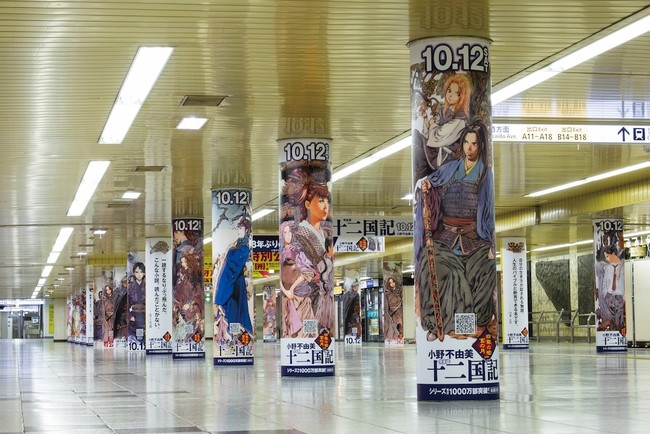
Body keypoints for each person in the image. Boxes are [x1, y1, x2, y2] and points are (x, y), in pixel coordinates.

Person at [415, 122, 496, 342]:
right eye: (467, 143)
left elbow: (488, 212)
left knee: (486, 269)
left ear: (480, 146)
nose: (470, 148)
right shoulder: (450, 168)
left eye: (474, 144)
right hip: (446, 238)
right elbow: (431, 181)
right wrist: (426, 186)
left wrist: (491, 244)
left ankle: (474, 324)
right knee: (434, 266)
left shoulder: (485, 175)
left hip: (474, 239)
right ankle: (438, 324)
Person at [290, 180, 335, 333]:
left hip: (324, 295)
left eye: (327, 201)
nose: (326, 206)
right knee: (312, 331)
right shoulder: (300, 233)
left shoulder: (326, 232)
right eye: (321, 201)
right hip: (311, 295)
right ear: (308, 205)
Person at [413, 73, 472, 181]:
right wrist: (425, 119)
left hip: (448, 158)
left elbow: (440, 135)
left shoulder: (460, 119)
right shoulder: (443, 111)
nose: (450, 95)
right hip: (436, 150)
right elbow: (430, 134)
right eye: (449, 91)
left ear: (462, 96)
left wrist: (432, 124)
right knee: (416, 136)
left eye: (457, 93)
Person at [214, 218, 253, 333]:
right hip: (233, 284)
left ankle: (234, 335)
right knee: (231, 311)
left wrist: (230, 250)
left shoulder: (244, 248)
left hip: (234, 285)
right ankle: (231, 334)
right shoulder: (240, 246)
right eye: (238, 228)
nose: (238, 230)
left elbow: (233, 264)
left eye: (240, 228)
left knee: (233, 311)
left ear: (246, 230)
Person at [596, 245, 625, 331]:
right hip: (609, 296)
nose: (607, 259)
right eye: (605, 257)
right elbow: (605, 283)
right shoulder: (608, 268)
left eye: (608, 256)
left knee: (619, 321)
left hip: (619, 296)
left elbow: (624, 282)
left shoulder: (622, 267)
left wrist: (623, 296)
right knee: (610, 319)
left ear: (613, 254)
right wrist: (606, 295)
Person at [127, 262, 146, 343]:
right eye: (137, 272)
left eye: (141, 272)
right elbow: (127, 303)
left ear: (144, 273)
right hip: (134, 313)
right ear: (133, 273)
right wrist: (130, 315)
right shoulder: (130, 287)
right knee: (135, 336)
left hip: (145, 313)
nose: (139, 274)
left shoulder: (148, 285)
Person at [383, 276, 404, 342]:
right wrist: (387, 311)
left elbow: (402, 299)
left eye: (393, 282)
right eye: (390, 283)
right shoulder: (387, 292)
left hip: (399, 309)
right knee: (393, 325)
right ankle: (396, 338)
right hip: (392, 311)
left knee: (400, 323)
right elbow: (386, 303)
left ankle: (400, 336)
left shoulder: (399, 290)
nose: (392, 284)